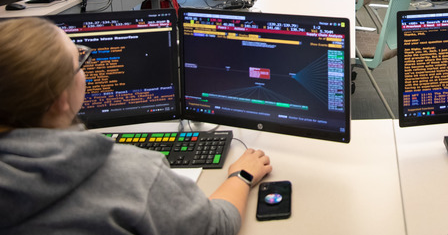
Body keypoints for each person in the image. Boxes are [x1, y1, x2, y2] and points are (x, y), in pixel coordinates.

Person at [0, 17, 274, 234]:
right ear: (62, 99)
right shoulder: (131, 175)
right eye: (79, 60)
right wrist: (241, 176)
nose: (84, 67)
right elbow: (215, 227)